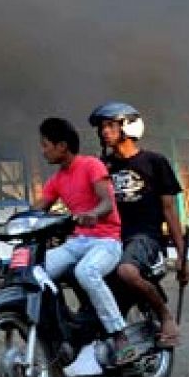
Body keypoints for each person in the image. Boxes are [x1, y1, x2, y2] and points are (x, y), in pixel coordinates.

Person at [33, 116, 136, 364]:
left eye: (46, 145)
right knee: (36, 271)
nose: (43, 150)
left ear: (62, 146)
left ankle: (119, 335)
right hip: (77, 242)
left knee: (86, 272)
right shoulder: (57, 179)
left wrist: (92, 214)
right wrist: (5, 227)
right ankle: (64, 329)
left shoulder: (91, 165)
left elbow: (106, 203)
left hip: (106, 241)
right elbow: (36, 211)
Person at [91, 101, 189, 348]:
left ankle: (165, 317)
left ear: (129, 127)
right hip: (110, 239)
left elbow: (170, 211)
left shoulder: (155, 162)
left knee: (127, 272)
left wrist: (182, 256)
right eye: (102, 127)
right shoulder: (102, 167)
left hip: (145, 237)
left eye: (111, 125)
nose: (105, 132)